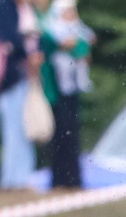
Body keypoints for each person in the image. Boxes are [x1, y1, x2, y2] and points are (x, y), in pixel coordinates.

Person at [37, 0, 91, 190]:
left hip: (71, 88)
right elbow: (58, 44)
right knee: (60, 133)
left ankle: (72, 178)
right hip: (56, 89)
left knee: (71, 132)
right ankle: (61, 179)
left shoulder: (73, 27)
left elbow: (84, 43)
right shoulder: (50, 27)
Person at [0, 1, 40, 190]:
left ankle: (19, 178)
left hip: (22, 76)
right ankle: (13, 180)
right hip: (11, 78)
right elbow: (6, 36)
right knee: (14, 130)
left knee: (20, 130)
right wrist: (27, 52)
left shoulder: (22, 7)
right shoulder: (5, 6)